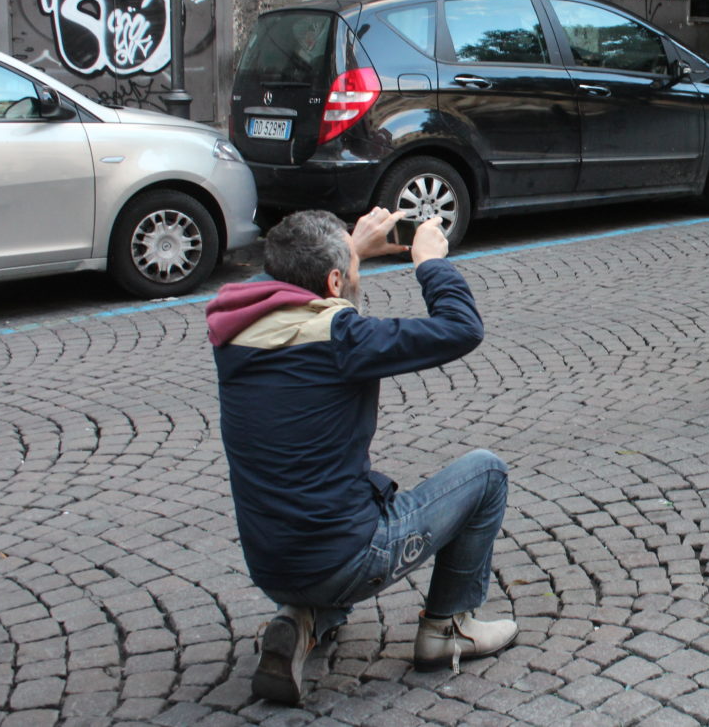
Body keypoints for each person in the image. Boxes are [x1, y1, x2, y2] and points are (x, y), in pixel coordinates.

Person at [206, 208, 516, 705]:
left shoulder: (233, 332)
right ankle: (447, 627)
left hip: (269, 563)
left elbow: (299, 287)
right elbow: (462, 328)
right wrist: (429, 262)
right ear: (333, 281)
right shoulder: (342, 340)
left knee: (343, 501)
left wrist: (350, 249)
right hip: (345, 557)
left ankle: (302, 620)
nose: (355, 276)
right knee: (486, 472)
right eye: (351, 270)